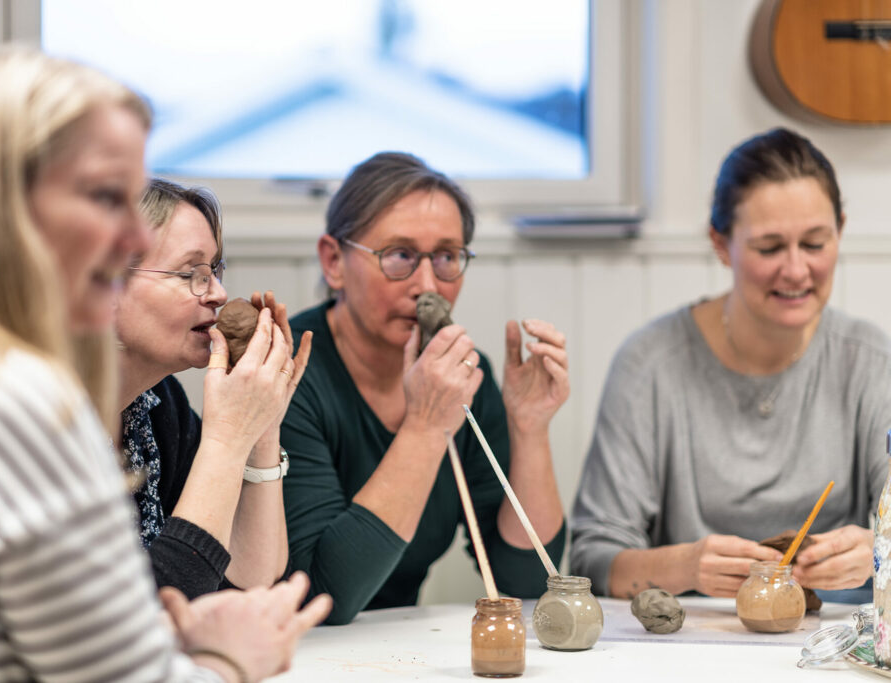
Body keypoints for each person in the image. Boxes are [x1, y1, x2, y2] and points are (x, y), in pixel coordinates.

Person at [0, 45, 329, 682]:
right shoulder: (4, 399)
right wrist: (231, 661)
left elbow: (214, 587)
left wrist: (258, 423)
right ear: (2, 204)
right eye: (106, 197)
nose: (136, 239)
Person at [570, 127, 891, 602]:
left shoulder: (870, 361)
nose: (797, 270)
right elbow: (592, 560)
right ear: (721, 244)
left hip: (832, 649)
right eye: (769, 248)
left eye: (816, 243)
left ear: (840, 231)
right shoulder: (651, 364)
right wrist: (681, 567)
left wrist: (880, 551)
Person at [281, 151, 569, 625]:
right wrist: (426, 426)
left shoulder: (463, 376)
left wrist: (529, 427)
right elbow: (321, 597)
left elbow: (528, 581)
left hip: (397, 653)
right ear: (334, 261)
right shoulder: (286, 370)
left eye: (447, 257)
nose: (427, 286)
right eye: (399, 256)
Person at [116, 178, 310, 597]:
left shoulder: (158, 406)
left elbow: (250, 580)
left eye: (215, 271)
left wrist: (261, 426)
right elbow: (151, 611)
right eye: (192, 274)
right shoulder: (36, 421)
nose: (219, 294)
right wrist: (225, 440)